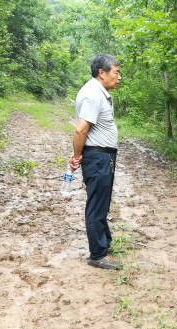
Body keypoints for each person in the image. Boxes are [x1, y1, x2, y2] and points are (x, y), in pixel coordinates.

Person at [68, 54, 122, 270]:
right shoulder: (93, 94)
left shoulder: (98, 92)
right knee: (97, 205)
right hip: (98, 157)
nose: (119, 77)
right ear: (102, 73)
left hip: (102, 156)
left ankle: (104, 243)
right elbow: (81, 130)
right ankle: (98, 255)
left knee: (102, 202)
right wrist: (77, 156)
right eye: (116, 73)